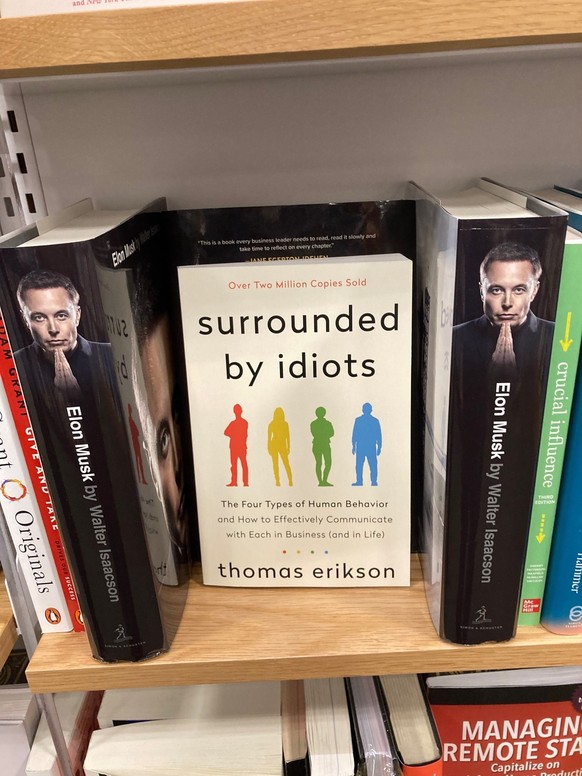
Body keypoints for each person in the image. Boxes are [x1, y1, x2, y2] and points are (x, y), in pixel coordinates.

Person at [452, 241, 554, 378]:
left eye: (518, 290)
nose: (507, 303)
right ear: (482, 292)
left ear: (534, 291)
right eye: (496, 290)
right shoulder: (453, 338)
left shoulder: (556, 336)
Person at [15, 269, 117, 404]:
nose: (53, 329)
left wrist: (75, 397)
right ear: (26, 321)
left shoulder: (112, 356)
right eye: (39, 317)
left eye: (61, 316)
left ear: (77, 315)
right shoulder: (14, 366)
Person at [351, 402, 382, 486]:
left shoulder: (360, 420)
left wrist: (353, 446)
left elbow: (355, 434)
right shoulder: (373, 421)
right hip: (367, 446)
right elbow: (355, 433)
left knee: (367, 465)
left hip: (365, 445)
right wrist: (379, 447)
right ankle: (370, 481)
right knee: (366, 465)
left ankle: (364, 481)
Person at [224, 404, 249, 487]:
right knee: (234, 465)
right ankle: (234, 482)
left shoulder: (244, 422)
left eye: (238, 410)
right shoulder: (233, 423)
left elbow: (244, 435)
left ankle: (245, 482)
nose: (237, 412)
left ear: (240, 411)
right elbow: (225, 432)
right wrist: (233, 434)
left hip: (240, 446)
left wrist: (234, 435)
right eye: (236, 410)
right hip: (234, 447)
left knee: (243, 464)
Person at [267, 407, 293, 487]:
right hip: (277, 445)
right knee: (279, 464)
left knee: (282, 463)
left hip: (279, 445)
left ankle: (288, 480)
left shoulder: (282, 424)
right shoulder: (276, 424)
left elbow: (287, 436)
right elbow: (269, 437)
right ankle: (279, 481)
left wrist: (288, 447)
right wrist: (269, 447)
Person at [310, 406, 334, 486]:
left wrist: (322, 434)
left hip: (321, 444)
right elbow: (315, 433)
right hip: (321, 444)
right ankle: (321, 481)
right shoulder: (325, 423)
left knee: (324, 463)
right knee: (320, 463)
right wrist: (325, 434)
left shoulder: (315, 423)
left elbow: (332, 433)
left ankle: (323, 481)